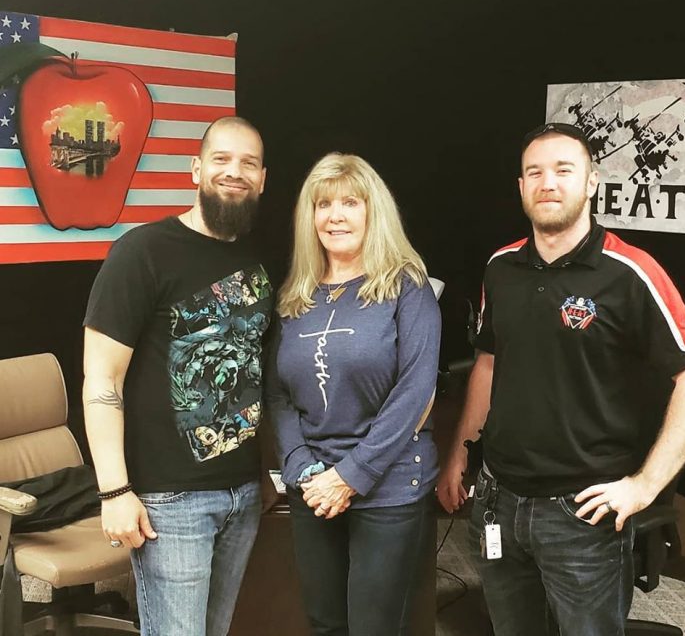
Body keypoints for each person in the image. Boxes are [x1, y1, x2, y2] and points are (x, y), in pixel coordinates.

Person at [437, 122, 685, 636]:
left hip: (581, 514)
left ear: (592, 182)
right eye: (535, 172)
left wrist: (645, 486)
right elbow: (488, 363)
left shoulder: (631, 272)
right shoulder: (501, 267)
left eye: (563, 170)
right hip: (498, 499)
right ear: (520, 186)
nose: (548, 183)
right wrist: (459, 452)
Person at [83, 116, 274, 636]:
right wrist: (113, 491)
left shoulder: (262, 260)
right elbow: (102, 379)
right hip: (170, 501)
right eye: (221, 159)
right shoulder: (142, 252)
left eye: (248, 163)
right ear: (195, 169)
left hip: (243, 493)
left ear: (261, 180)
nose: (234, 172)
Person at [266, 153, 441, 636]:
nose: (335, 216)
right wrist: (302, 467)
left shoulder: (408, 286)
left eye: (350, 202)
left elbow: (416, 390)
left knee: (373, 627)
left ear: (373, 211)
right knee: (325, 624)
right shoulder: (294, 295)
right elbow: (277, 394)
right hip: (314, 486)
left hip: (388, 485)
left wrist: (352, 474)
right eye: (323, 204)